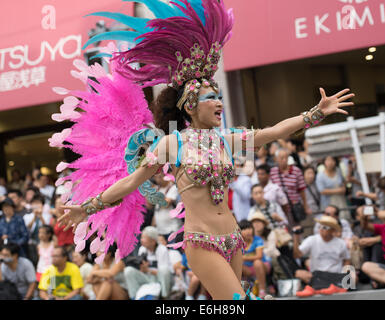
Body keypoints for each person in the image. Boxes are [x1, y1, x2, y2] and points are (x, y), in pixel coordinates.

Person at [55, 0, 355, 300]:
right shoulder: (173, 142)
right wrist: (88, 207)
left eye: (220, 96)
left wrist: (315, 113)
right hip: (201, 241)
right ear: (190, 105)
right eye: (212, 97)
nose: (220, 103)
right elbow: (131, 181)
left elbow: (273, 132)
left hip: (234, 239)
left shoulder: (226, 138)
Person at [293, 216, 351, 296]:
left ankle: (319, 289)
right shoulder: (312, 240)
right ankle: (322, 289)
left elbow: (346, 260)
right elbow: (297, 255)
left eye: (325, 227)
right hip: (317, 276)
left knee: (351, 277)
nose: (321, 229)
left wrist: (344, 275)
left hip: (335, 275)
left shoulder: (341, 243)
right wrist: (296, 237)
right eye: (320, 226)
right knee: (299, 273)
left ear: (332, 230)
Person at [124, 226, 172, 299]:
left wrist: (148, 270)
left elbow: (164, 272)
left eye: (144, 238)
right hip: (148, 277)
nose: (141, 240)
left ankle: (164, 296)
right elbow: (141, 270)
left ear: (153, 241)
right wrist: (142, 269)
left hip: (160, 278)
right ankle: (134, 296)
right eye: (141, 237)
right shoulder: (142, 249)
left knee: (164, 269)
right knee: (128, 270)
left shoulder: (162, 249)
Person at [270, 148, 311, 228]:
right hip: (280, 208)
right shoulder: (273, 172)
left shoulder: (296, 171)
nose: (284, 160)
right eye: (281, 158)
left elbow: (302, 190)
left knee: (297, 229)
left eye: (286, 157)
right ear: (276, 159)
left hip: (294, 206)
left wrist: (305, 206)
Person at [361, 208, 385, 288]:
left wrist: (378, 212)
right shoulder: (384, 227)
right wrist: (364, 217)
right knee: (366, 266)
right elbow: (365, 226)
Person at [239, 220, 272, 299]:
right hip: (247, 269)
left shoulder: (257, 239)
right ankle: (242, 292)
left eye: (249, 228)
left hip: (262, 266)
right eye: (244, 229)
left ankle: (262, 291)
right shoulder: (239, 243)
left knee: (257, 262)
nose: (248, 231)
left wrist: (243, 258)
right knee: (236, 266)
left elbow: (259, 256)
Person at [316, 155, 351, 222]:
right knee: (331, 220)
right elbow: (322, 190)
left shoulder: (338, 171)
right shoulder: (320, 175)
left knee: (344, 218)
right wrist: (338, 190)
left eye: (332, 160)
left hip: (341, 200)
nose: (330, 162)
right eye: (328, 160)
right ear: (324, 162)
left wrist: (344, 187)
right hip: (329, 202)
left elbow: (343, 182)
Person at [23, 195, 52, 264]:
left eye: (38, 203)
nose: (36, 205)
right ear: (31, 205)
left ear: (42, 205)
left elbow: (47, 228)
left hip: (44, 243)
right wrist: (34, 217)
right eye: (34, 203)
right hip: (31, 243)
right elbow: (27, 228)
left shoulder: (47, 216)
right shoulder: (27, 216)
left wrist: (40, 216)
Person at [152, 172, 182, 239]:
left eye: (159, 176)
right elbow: (153, 207)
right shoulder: (158, 189)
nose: (157, 179)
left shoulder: (173, 187)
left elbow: (166, 204)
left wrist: (154, 195)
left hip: (172, 229)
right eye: (155, 177)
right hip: (160, 230)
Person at [303, 166, 320, 237]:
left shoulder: (316, 184)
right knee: (308, 233)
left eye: (312, 173)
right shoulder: (301, 187)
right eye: (308, 173)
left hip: (317, 212)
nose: (311, 176)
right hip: (306, 214)